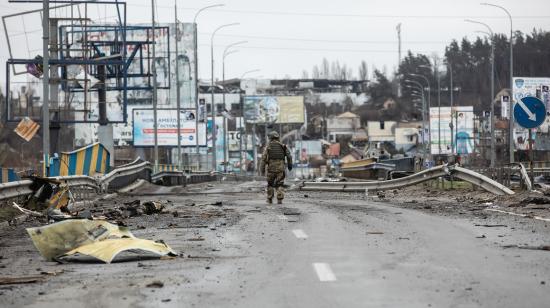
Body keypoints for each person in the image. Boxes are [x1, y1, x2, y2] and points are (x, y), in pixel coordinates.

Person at [260, 131, 292, 204]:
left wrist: (262, 170)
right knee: (280, 184)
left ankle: (270, 199)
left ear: (270, 138)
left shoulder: (268, 147)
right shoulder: (283, 146)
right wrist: (290, 166)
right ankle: (279, 199)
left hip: (271, 169)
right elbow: (289, 156)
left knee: (270, 184)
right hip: (280, 169)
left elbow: (263, 159)